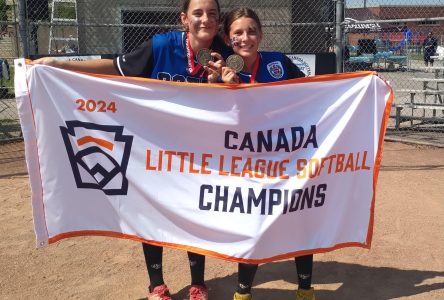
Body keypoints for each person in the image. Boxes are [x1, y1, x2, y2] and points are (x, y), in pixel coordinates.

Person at [34, 1, 231, 299]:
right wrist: (60, 65)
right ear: (184, 18)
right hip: (154, 150)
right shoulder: (162, 46)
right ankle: (157, 285)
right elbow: (116, 67)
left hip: (199, 154)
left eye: (212, 14)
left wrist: (222, 83)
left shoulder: (225, 54)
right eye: (198, 13)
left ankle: (197, 283)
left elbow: (241, 101)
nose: (206, 19)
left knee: (194, 213)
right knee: (151, 214)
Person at [219, 7, 315, 300]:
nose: (245, 37)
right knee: (254, 226)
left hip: (288, 158)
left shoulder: (278, 62)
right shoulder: (220, 68)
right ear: (227, 37)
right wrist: (222, 88)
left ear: (260, 34)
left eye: (251, 31)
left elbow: (312, 92)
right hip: (248, 164)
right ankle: (243, 292)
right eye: (237, 32)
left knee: (300, 218)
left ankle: (305, 291)